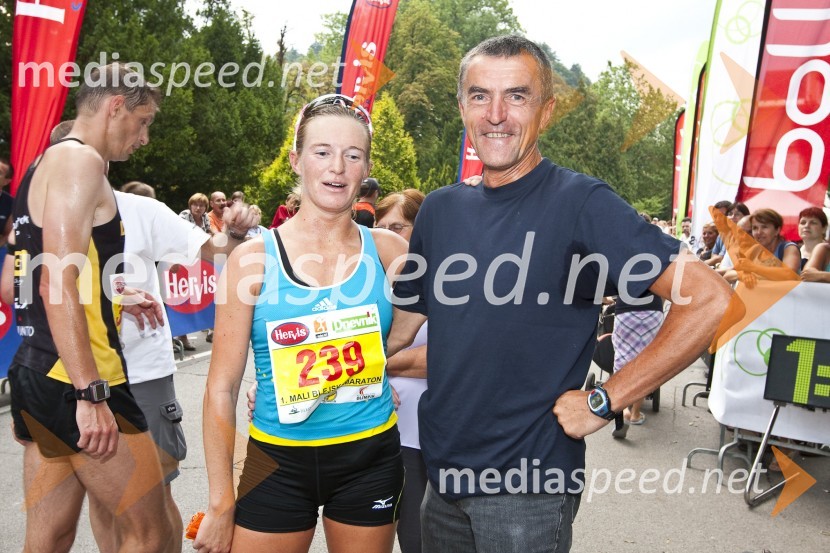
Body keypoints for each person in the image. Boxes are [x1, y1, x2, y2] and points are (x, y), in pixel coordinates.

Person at [386, 36, 733, 552]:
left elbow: (709, 298)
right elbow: (399, 331)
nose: (496, 114)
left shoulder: (582, 203)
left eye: (517, 96)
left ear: (546, 111)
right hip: (440, 476)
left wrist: (606, 398)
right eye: (480, 96)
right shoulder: (440, 209)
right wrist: (316, 360)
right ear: (462, 107)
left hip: (527, 488)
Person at [195, 94, 409, 553]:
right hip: (276, 461)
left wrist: (368, 369)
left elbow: (409, 335)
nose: (338, 168)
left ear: (367, 167)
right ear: (296, 160)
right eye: (322, 152)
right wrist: (220, 502)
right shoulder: (251, 261)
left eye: (353, 155)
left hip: (370, 456)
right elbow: (220, 388)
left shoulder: (391, 252)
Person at [5, 62, 177, 553]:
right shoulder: (81, 162)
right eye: (143, 122)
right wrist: (90, 393)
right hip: (80, 377)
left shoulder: (40, 166)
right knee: (151, 534)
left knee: (50, 536)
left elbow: (16, 282)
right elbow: (56, 282)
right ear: (116, 106)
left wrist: (109, 296)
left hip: (38, 368)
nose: (144, 138)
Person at [87, 182, 257, 553]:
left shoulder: (141, 209)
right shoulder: (49, 214)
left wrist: (234, 232)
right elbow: (29, 288)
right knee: (102, 497)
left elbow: (217, 251)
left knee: (154, 495)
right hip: (76, 375)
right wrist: (109, 297)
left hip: (141, 373)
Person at [374, 189, 427, 553]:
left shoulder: (443, 283)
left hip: (419, 439)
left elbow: (445, 361)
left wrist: (370, 365)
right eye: (380, 227)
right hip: (371, 435)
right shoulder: (365, 285)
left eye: (398, 227)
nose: (387, 235)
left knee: (417, 540)